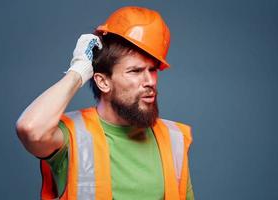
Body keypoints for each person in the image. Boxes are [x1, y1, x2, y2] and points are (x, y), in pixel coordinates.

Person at [16, 6, 194, 200]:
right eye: (135, 71)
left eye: (152, 70)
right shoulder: (73, 135)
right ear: (103, 81)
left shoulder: (173, 138)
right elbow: (30, 128)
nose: (150, 81)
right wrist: (78, 71)